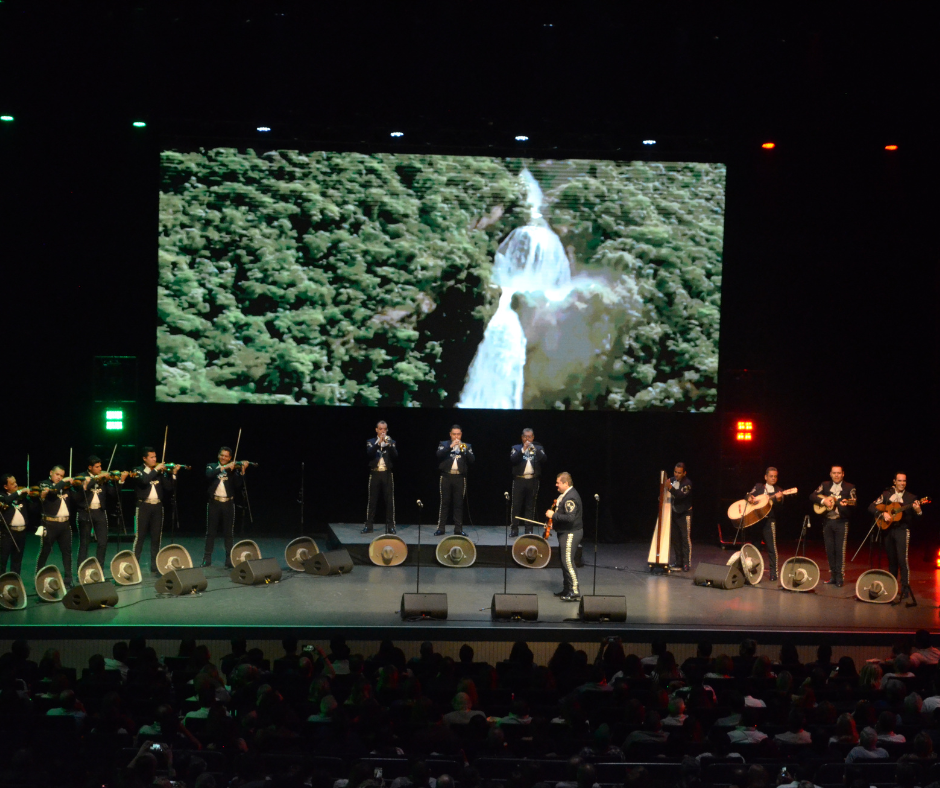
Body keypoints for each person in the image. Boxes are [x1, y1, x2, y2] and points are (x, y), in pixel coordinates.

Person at [868, 473, 923, 602]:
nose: (902, 483)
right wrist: (882, 514)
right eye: (899, 481)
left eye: (904, 481)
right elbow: (871, 506)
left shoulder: (911, 497)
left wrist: (918, 510)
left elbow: (919, 519)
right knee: (891, 560)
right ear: (894, 481)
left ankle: (905, 588)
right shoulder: (887, 494)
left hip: (902, 530)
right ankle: (892, 587)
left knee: (902, 560)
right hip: (888, 530)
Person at [122, 447, 177, 574]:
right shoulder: (138, 470)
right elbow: (144, 480)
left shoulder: (159, 472)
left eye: (155, 457)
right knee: (140, 537)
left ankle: (155, 565)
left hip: (157, 506)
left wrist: (172, 474)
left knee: (156, 537)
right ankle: (134, 565)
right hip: (143, 506)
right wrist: (156, 470)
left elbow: (169, 488)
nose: (154, 460)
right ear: (144, 458)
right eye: (152, 457)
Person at [72, 455, 124, 570]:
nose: (100, 469)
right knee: (84, 544)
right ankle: (81, 569)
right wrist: (96, 479)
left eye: (100, 466)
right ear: (90, 467)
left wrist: (120, 482)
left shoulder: (103, 479)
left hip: (99, 512)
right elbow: (81, 492)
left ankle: (99, 568)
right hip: (85, 512)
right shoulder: (81, 477)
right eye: (97, 467)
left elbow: (112, 494)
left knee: (102, 542)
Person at [809, 465, 856, 587]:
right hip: (828, 521)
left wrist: (843, 504)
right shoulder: (824, 485)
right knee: (830, 550)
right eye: (834, 473)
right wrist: (823, 501)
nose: (836, 475)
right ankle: (833, 577)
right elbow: (812, 496)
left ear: (843, 474)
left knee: (840, 550)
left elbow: (854, 501)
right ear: (830, 474)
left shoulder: (849, 487)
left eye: (839, 473)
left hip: (841, 522)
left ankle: (840, 578)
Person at [202, 446, 248, 568]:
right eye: (222, 455)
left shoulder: (232, 470)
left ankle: (229, 559)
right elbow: (209, 475)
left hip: (228, 503)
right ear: (218, 455)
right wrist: (224, 467)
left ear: (230, 458)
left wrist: (241, 472)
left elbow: (238, 485)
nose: (224, 457)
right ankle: (207, 558)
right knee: (211, 532)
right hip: (214, 503)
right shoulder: (211, 466)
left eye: (226, 456)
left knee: (228, 533)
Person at [36, 465, 76, 587]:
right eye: (57, 474)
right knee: (45, 551)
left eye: (62, 476)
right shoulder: (44, 484)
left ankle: (68, 579)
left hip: (65, 524)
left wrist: (79, 487)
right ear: (51, 473)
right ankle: (39, 577)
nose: (59, 478)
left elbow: (76, 499)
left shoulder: (66, 487)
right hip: (50, 524)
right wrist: (63, 482)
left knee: (67, 552)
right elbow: (52, 494)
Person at [746, 467, 788, 582]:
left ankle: (773, 573)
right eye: (771, 476)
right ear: (766, 477)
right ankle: (754, 572)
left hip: (769, 521)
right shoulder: (759, 486)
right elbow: (749, 495)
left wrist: (779, 500)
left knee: (771, 547)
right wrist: (750, 498)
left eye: (775, 476)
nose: (773, 478)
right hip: (756, 520)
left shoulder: (779, 490)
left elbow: (779, 509)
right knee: (755, 547)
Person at [434, 425, 474, 536]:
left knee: (458, 504)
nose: (456, 436)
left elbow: (472, 460)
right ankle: (441, 528)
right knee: (445, 503)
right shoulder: (444, 444)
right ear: (450, 434)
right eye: (454, 434)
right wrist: (450, 447)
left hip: (459, 478)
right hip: (446, 477)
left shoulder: (466, 446)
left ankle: (458, 529)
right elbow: (438, 455)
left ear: (461, 435)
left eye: (458, 434)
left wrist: (464, 449)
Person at [550, 472, 583, 601]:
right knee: (564, 562)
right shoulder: (565, 495)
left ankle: (574, 591)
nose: (556, 485)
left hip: (571, 533)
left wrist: (553, 516)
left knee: (568, 562)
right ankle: (567, 588)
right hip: (565, 533)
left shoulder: (571, 498)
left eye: (558, 483)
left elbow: (570, 518)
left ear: (565, 483)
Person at [509, 428, 547, 537]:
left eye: (529, 437)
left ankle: (528, 530)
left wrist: (534, 448)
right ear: (522, 437)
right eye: (525, 436)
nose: (527, 439)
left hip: (533, 480)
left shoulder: (538, 448)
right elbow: (513, 459)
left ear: (533, 437)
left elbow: (544, 459)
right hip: (519, 480)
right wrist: (523, 449)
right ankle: (514, 529)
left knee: (530, 506)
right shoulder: (516, 448)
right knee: (516, 506)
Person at [362, 421, 397, 535]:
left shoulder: (391, 441)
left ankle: (391, 526)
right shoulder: (371, 442)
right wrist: (378, 443)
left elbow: (395, 455)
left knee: (389, 501)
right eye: (381, 429)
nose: (383, 431)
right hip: (375, 473)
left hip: (386, 474)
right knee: (372, 501)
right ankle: (369, 525)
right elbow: (369, 453)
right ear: (376, 430)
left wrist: (389, 444)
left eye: (385, 429)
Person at [0, 474, 33, 576]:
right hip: (7, 534)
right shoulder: (2, 496)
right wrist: (19, 492)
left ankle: (14, 584)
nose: (16, 484)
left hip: (21, 534)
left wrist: (33, 498)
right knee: (2, 562)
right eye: (12, 483)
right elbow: (6, 500)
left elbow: (33, 509)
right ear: (5, 487)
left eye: (15, 482)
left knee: (17, 561)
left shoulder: (22, 498)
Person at [669, 463, 692, 572]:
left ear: (684, 473)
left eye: (679, 473)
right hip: (674, 513)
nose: (676, 475)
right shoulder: (672, 480)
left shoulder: (687, 483)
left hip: (684, 513)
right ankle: (678, 562)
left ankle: (686, 563)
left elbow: (680, 495)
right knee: (676, 539)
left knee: (685, 539)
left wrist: (670, 488)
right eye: (675, 472)